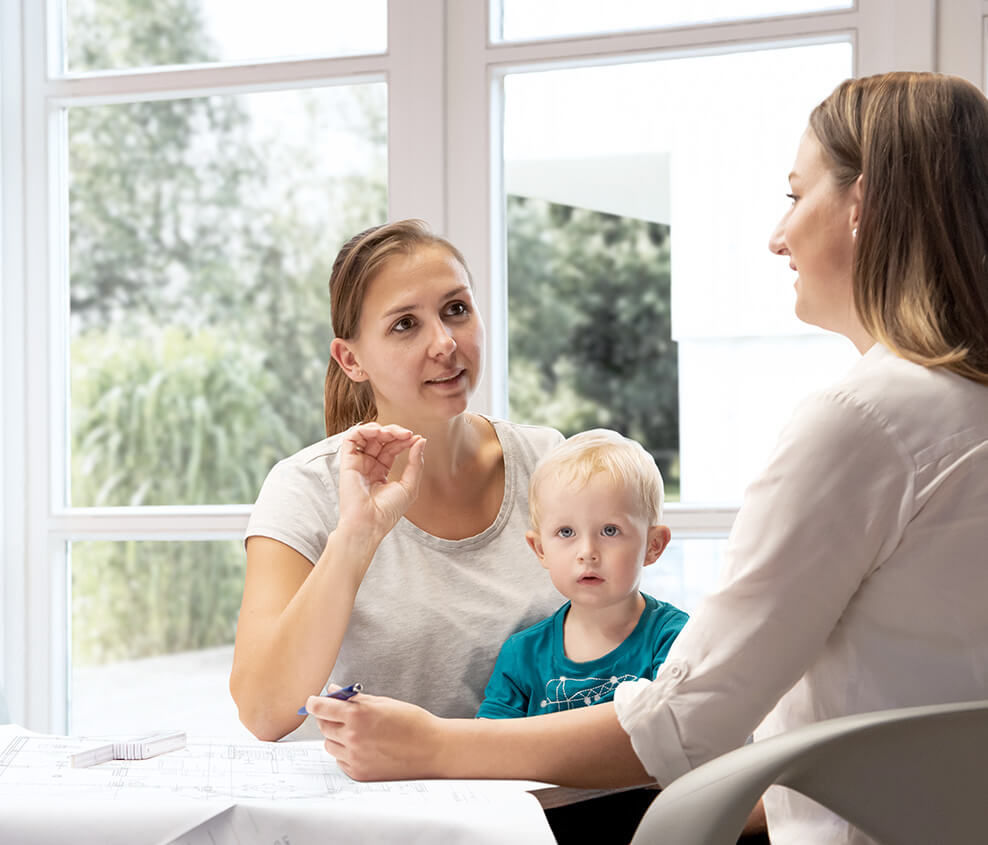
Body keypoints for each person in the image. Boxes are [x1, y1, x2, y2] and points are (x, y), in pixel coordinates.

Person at [303, 71, 988, 845]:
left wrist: (430, 742)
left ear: (860, 207)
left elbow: (683, 721)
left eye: (795, 196)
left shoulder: (859, 425)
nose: (778, 235)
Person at [229, 219, 565, 742]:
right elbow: (263, 712)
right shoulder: (304, 489)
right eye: (405, 324)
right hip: (379, 793)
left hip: (546, 785)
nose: (445, 343)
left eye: (456, 309)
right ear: (351, 359)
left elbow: (622, 643)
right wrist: (356, 537)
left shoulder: (547, 462)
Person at [476, 429, 687, 719]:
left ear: (653, 545)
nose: (587, 552)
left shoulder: (675, 639)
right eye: (566, 532)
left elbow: (682, 729)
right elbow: (489, 740)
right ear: (540, 549)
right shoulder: (521, 655)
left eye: (610, 530)